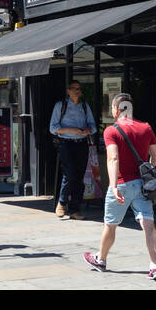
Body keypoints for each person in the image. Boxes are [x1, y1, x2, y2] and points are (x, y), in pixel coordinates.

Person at [84, 92, 156, 281]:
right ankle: (155, 266)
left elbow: (113, 158)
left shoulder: (111, 131)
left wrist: (113, 186)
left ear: (117, 109)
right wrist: (149, 178)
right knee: (148, 224)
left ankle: (101, 260)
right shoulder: (146, 127)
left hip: (121, 183)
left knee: (110, 225)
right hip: (142, 185)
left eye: (112, 107)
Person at [49, 79, 96, 220]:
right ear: (68, 91)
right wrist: (72, 130)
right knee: (70, 175)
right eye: (74, 88)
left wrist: (88, 129)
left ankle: (75, 209)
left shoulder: (85, 106)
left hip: (82, 143)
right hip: (66, 143)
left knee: (80, 177)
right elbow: (53, 128)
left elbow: (93, 125)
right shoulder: (60, 106)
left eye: (79, 88)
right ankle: (62, 202)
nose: (77, 91)